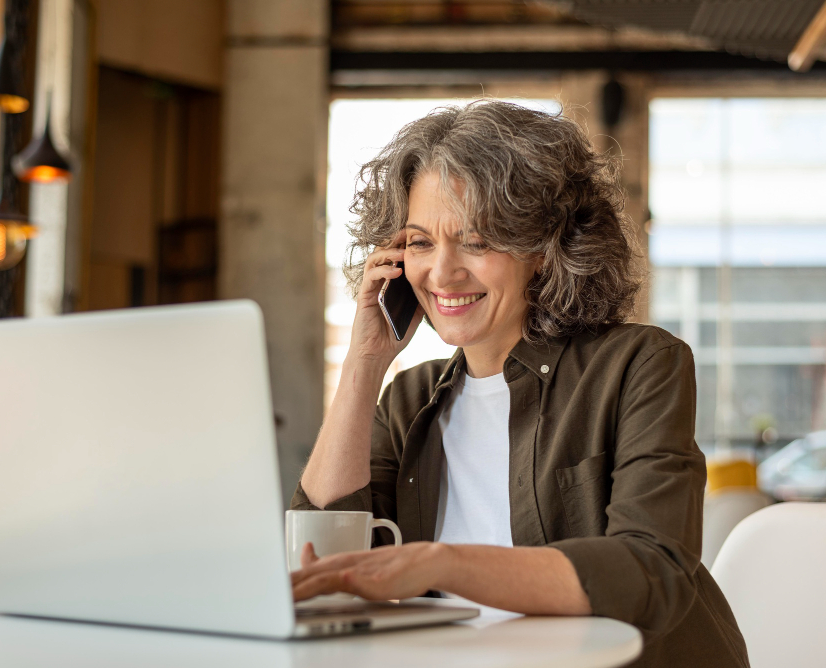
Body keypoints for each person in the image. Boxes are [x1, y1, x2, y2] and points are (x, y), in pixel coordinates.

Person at [291, 100, 748, 668]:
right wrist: (365, 363)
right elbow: (322, 559)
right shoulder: (408, 398)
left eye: (477, 241)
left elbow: (651, 571)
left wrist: (444, 563)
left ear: (544, 248)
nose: (443, 271)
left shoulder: (638, 364)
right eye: (419, 242)